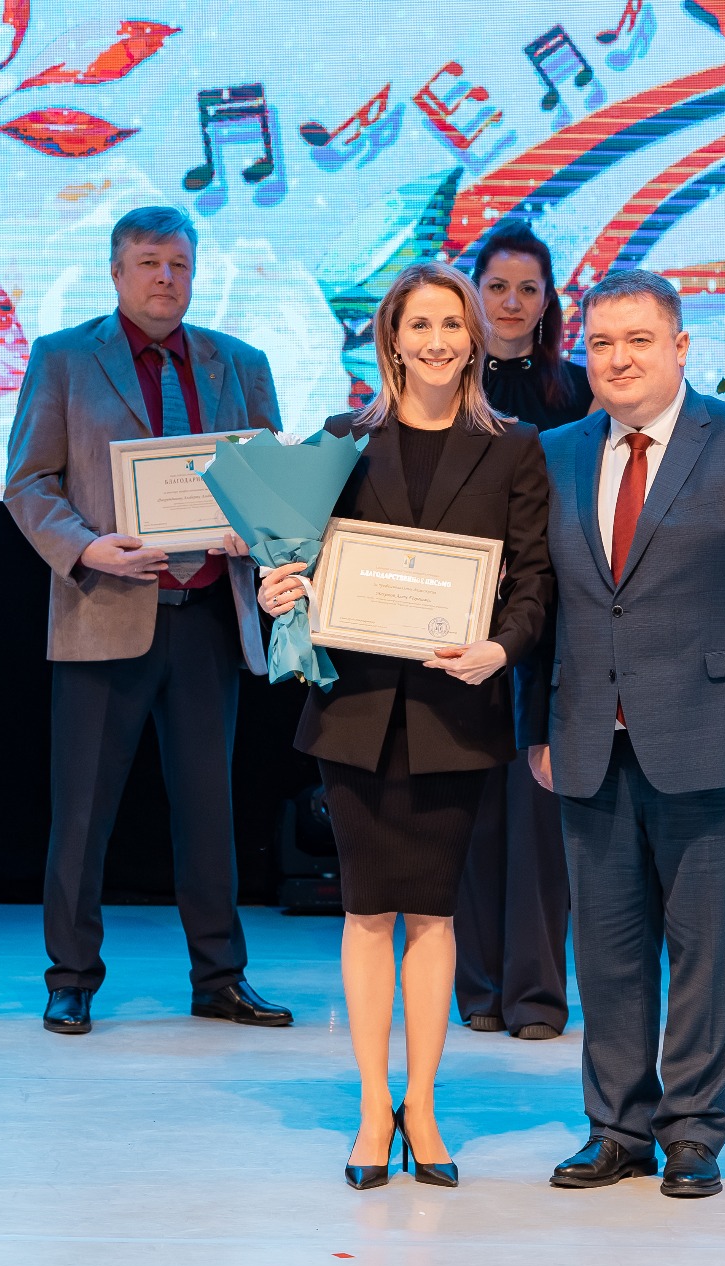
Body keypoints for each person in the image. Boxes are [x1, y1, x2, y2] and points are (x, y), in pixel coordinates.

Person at [521, 269, 725, 1198]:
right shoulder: (555, 453)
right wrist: (537, 725)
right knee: (607, 952)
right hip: (588, 738)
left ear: (681, 346)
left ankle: (693, 1131)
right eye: (600, 344)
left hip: (717, 740)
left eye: (638, 341)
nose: (617, 360)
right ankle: (617, 1128)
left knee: (708, 949)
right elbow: (537, 605)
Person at [258, 261, 552, 1189]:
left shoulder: (515, 449)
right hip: (354, 714)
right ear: (390, 340)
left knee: (432, 911)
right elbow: (297, 561)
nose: (436, 341)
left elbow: (534, 581)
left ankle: (421, 1105)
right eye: (419, 325)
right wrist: (278, 589)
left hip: (455, 711)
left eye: (452, 325)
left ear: (474, 341)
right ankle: (369, 1106)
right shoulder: (339, 441)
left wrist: (500, 649)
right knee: (365, 911)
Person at [3, 206, 292, 1036]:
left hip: (208, 615)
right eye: (149, 263)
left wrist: (255, 526)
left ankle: (220, 977)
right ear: (117, 272)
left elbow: (272, 484)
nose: (166, 278)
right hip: (105, 607)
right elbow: (28, 482)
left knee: (209, 811)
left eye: (179, 264)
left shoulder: (240, 364)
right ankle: (70, 976)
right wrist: (88, 549)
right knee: (83, 813)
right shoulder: (64, 357)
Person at [454, 220, 592, 1041]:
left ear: (549, 303)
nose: (510, 302)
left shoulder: (579, 393)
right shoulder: (442, 387)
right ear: (473, 294)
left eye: (527, 289)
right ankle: (478, 989)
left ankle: (537, 994)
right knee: (471, 811)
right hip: (457, 622)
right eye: (497, 287)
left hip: (550, 623)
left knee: (541, 815)